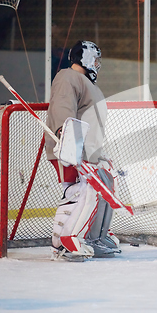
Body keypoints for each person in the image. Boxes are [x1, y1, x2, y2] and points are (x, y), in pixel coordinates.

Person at [45, 40, 121, 261]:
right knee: (78, 193)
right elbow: (62, 106)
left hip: (88, 151)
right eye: (95, 59)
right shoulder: (68, 77)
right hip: (71, 149)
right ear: (86, 58)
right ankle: (65, 242)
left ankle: (94, 237)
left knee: (102, 189)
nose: (98, 64)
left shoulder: (86, 82)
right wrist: (63, 134)